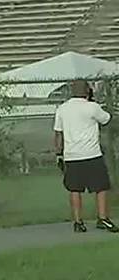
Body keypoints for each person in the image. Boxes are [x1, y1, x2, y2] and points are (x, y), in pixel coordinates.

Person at [53, 79, 115, 232]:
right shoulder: (92, 107)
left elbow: (58, 134)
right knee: (101, 187)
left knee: (75, 189)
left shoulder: (62, 108)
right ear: (88, 91)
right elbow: (106, 119)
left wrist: (58, 154)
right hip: (92, 154)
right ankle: (103, 218)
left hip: (72, 156)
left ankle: (78, 222)